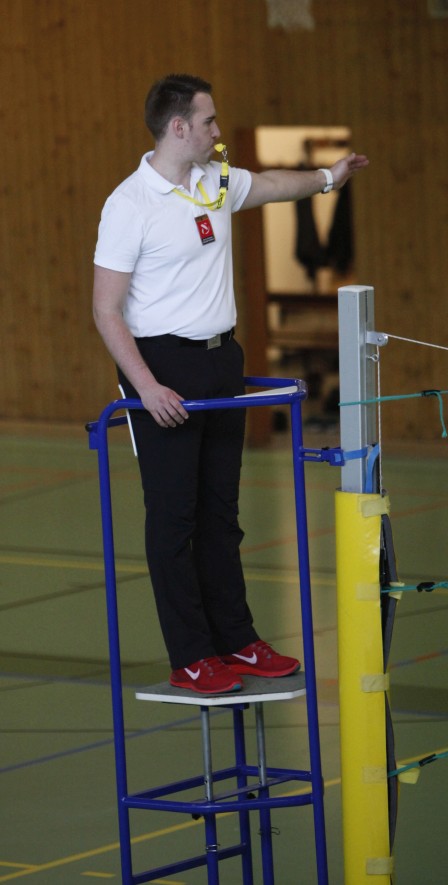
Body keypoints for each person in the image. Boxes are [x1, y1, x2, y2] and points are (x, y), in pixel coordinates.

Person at [93, 73, 369, 696]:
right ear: (178, 127)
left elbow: (270, 186)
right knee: (175, 518)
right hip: (161, 368)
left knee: (221, 514)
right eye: (209, 121)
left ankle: (237, 641)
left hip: (221, 362)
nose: (217, 131)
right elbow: (106, 310)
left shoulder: (213, 180)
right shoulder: (129, 204)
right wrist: (145, 388)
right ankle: (191, 656)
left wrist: (328, 178)